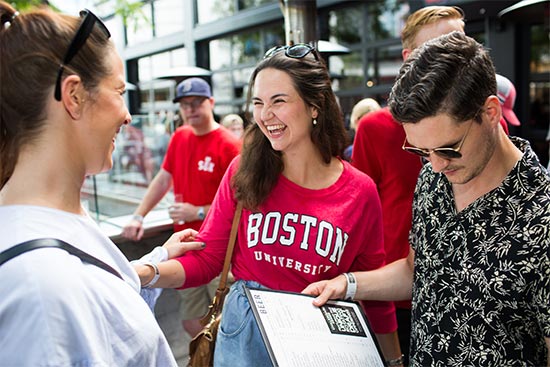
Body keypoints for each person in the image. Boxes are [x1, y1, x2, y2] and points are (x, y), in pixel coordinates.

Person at [134, 43, 403, 366]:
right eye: (258, 103)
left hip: (320, 348)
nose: (265, 115)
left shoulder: (359, 191)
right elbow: (207, 260)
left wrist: (394, 360)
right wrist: (142, 272)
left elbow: (372, 291)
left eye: (279, 101)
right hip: (246, 344)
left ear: (314, 106)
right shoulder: (243, 173)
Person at [304, 31, 550, 366]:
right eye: (421, 150)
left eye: (448, 148)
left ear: (491, 112)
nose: (435, 163)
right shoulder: (434, 176)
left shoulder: (542, 216)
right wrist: (347, 285)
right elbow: (417, 270)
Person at [0, 3, 195, 365]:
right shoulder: (41, 289)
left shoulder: (47, 227)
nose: (128, 114)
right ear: (73, 95)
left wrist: (156, 260)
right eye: (119, 92)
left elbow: (105, 313)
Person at [350, 6, 465, 363]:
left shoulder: (486, 129)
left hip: (464, 296)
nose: (452, 56)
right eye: (439, 46)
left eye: (459, 43)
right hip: (394, 292)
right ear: (408, 58)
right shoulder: (376, 129)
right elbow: (360, 214)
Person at [121, 77, 241, 338]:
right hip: (184, 247)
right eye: (184, 104)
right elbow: (163, 178)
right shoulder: (180, 136)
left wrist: (196, 211)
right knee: (191, 321)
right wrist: (137, 216)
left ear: (211, 102)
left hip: (220, 251)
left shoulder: (230, 145)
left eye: (196, 102)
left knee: (225, 321)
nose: (190, 109)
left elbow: (243, 204)